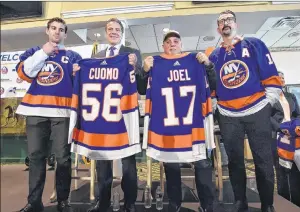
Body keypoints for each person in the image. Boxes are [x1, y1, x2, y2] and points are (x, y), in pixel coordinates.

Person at [196, 10, 283, 212]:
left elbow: (271, 75)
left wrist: (267, 102)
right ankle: (240, 202)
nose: (225, 23)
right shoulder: (215, 55)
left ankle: (267, 204)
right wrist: (217, 107)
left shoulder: (254, 44)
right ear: (218, 28)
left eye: (229, 19)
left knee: (263, 161)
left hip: (257, 110)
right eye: (221, 21)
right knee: (234, 163)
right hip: (228, 115)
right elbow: (212, 86)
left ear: (236, 23)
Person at [143, 30, 215, 212]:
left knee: (202, 165)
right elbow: (142, 89)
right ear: (163, 46)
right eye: (168, 42)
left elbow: (213, 86)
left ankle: (207, 206)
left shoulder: (195, 62)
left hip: (193, 127)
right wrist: (144, 70)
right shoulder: (155, 64)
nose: (172, 44)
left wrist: (207, 65)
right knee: (171, 166)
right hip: (169, 128)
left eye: (176, 41)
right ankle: (175, 204)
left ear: (181, 44)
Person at [16, 17, 82, 212]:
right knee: (36, 157)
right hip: (35, 111)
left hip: (62, 113)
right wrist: (43, 52)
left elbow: (82, 84)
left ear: (65, 34)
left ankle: (63, 200)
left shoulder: (74, 56)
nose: (57, 32)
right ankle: (34, 202)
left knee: (63, 158)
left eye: (61, 29)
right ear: (47, 31)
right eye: (53, 28)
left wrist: (78, 73)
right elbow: (25, 73)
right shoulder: (34, 52)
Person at [86, 18, 146, 212]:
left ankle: (130, 202)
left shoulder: (132, 53)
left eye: (117, 29)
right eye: (110, 29)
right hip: (103, 115)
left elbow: (141, 85)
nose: (113, 32)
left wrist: (136, 67)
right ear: (106, 32)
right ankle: (102, 202)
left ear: (122, 33)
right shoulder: (97, 56)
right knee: (103, 160)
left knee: (128, 162)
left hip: (127, 114)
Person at [271, 71, 300, 207]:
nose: (282, 80)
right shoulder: (269, 98)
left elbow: (297, 114)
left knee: (295, 169)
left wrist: (296, 127)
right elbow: (268, 117)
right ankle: (283, 202)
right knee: (281, 170)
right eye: (279, 78)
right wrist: (281, 128)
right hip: (278, 136)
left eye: (283, 78)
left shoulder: (290, 96)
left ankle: (297, 201)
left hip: (293, 136)